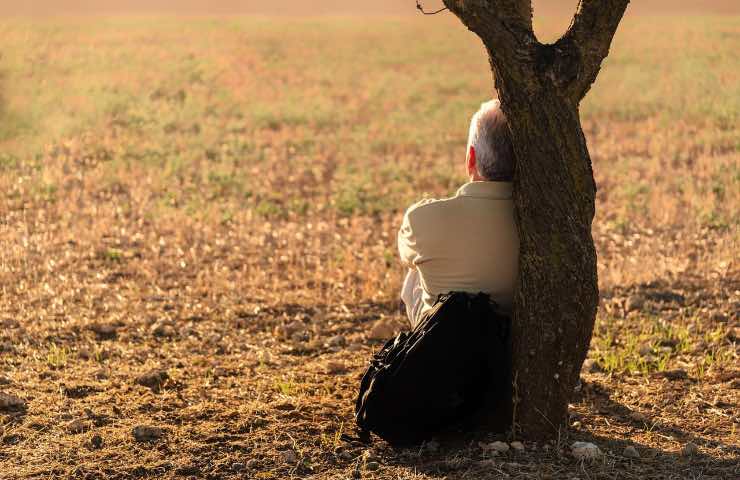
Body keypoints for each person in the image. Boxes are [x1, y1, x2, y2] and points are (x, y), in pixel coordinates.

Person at [398, 99, 519, 328]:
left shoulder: (421, 219)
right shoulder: (542, 223)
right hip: (510, 342)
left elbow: (405, 255)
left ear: (471, 158)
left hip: (443, 345)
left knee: (415, 274)